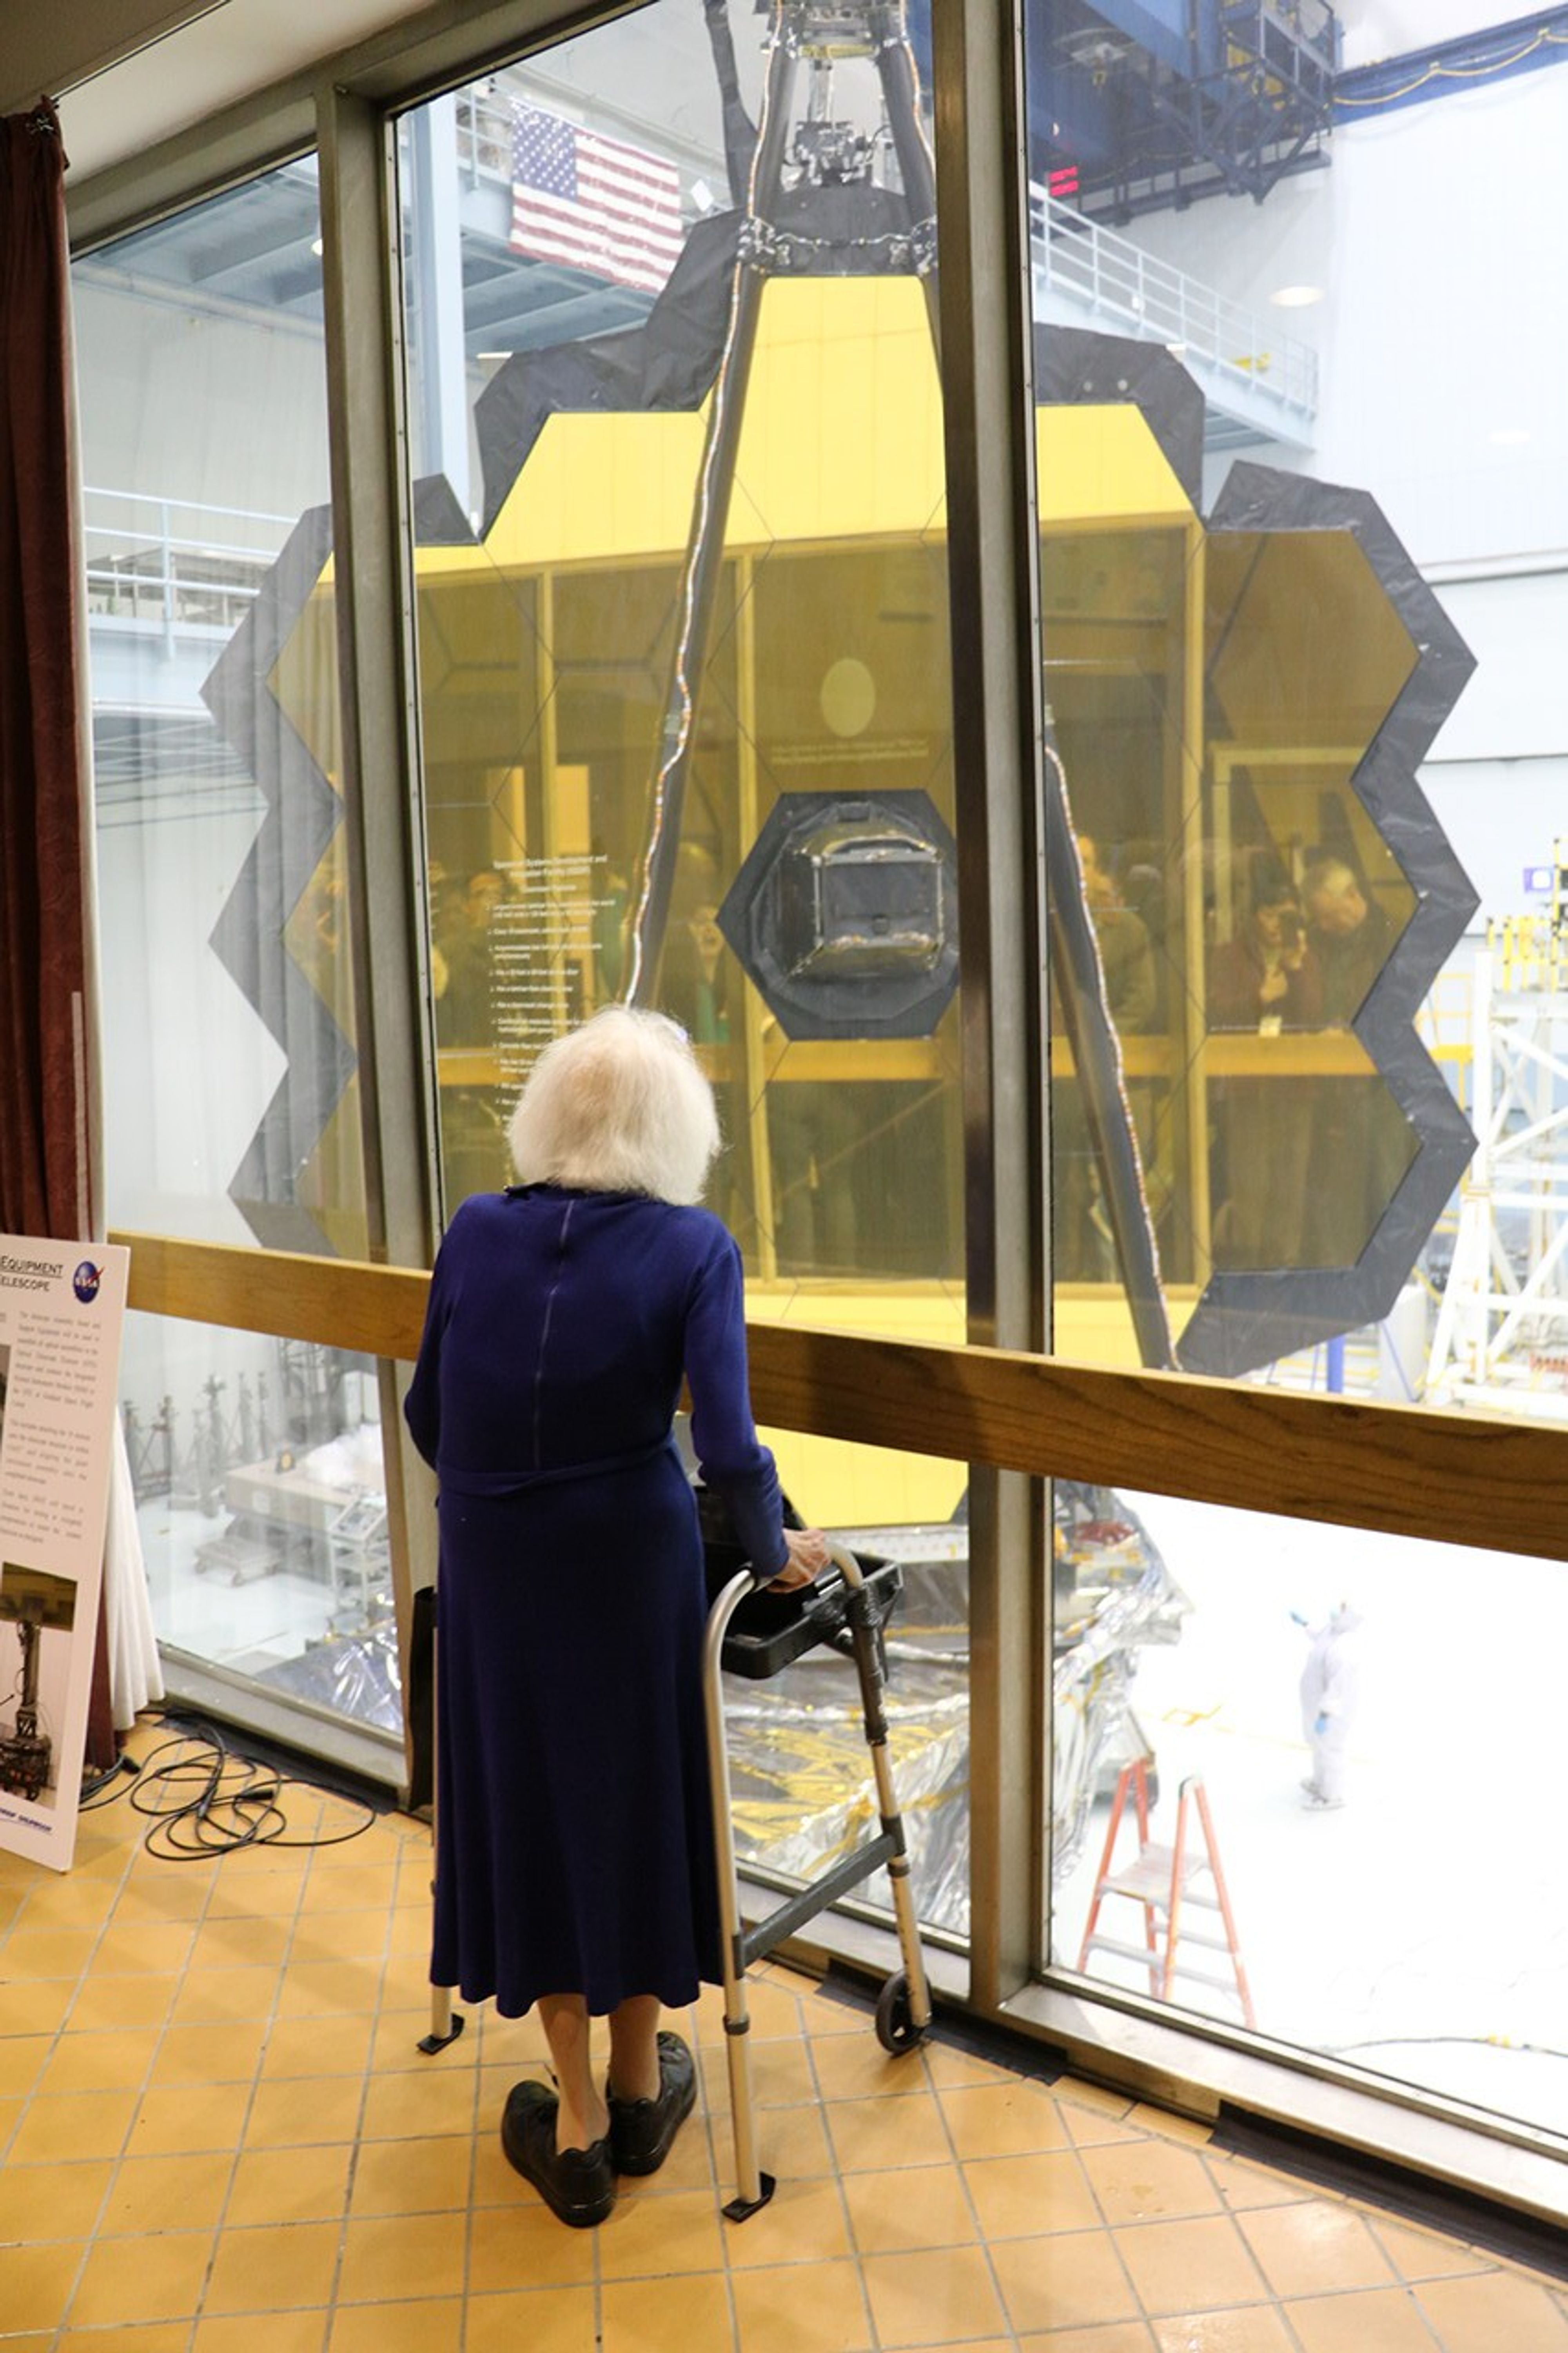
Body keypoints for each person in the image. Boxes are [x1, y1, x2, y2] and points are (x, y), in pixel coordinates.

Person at [404, 1007, 828, 2227]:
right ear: (671, 1126)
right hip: (629, 1562)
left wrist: (501, 1497)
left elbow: (431, 1410)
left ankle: (579, 2121)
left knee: (527, 1798)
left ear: (549, 1111)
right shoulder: (694, 1247)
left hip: (494, 1559)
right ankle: (646, 2084)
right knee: (632, 1797)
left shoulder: (476, 1227)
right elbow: (731, 1445)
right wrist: (770, 1548)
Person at [1294, 1601, 1363, 1810]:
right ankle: (1319, 1783)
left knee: (1331, 1750)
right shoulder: (1332, 1632)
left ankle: (1332, 1796)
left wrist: (1325, 1715)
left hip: (1331, 1713)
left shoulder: (1344, 1651)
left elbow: (1338, 1690)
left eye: (1341, 1610)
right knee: (1319, 1746)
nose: (1334, 1611)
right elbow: (1319, 1637)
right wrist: (1304, 1624)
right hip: (1317, 1705)